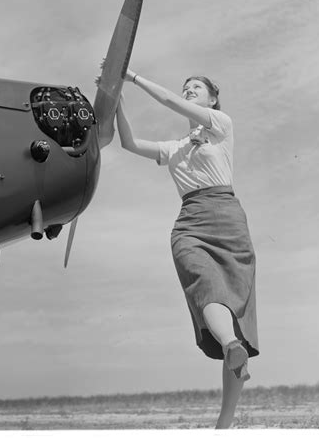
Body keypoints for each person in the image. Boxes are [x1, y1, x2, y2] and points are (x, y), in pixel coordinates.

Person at [115, 68, 259, 429]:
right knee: (204, 285)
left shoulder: (222, 125)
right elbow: (129, 143)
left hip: (227, 219)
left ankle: (224, 422)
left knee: (233, 308)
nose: (188, 90)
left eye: (196, 88)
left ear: (212, 100)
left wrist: (131, 76)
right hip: (189, 224)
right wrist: (115, 99)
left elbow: (169, 101)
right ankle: (229, 345)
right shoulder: (175, 148)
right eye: (186, 87)